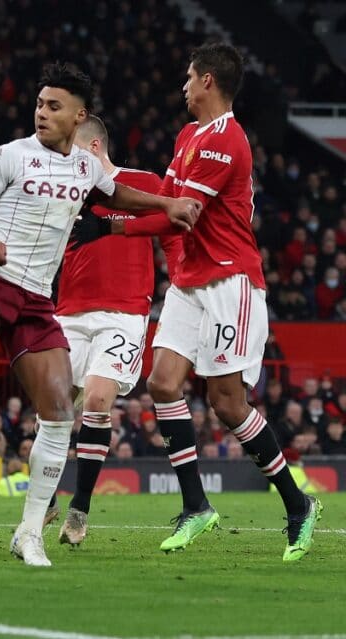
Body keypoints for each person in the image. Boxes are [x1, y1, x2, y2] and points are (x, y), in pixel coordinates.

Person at [0, 62, 201, 567]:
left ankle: (30, 531)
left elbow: (120, 196)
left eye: (54, 106)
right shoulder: (8, 156)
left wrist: (168, 203)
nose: (42, 113)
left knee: (58, 412)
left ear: (79, 116)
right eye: (40, 104)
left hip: (36, 299)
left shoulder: (87, 167)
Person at [142, 43, 319, 561]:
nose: (183, 86)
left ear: (209, 82)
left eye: (189, 77)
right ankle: (197, 506)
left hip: (229, 282)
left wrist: (110, 218)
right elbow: (166, 207)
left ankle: (297, 504)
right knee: (162, 382)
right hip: (190, 281)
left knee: (226, 403)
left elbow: (181, 211)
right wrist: (113, 216)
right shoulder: (188, 136)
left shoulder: (228, 141)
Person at [54, 115, 184, 546]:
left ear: (92, 149)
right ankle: (45, 496)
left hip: (124, 312)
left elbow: (172, 222)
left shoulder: (141, 182)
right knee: (52, 408)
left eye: (69, 148)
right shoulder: (67, 189)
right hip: (69, 310)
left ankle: (80, 509)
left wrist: (181, 274)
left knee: (95, 400)